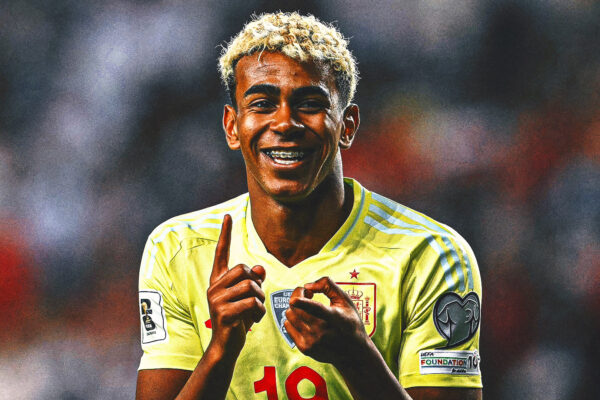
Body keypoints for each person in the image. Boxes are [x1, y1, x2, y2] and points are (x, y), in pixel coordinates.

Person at [135, 12, 482, 400]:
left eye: (310, 103)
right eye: (262, 103)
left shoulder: (430, 255)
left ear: (347, 125)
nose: (285, 122)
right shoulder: (177, 250)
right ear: (232, 127)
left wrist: (358, 358)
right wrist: (220, 350)